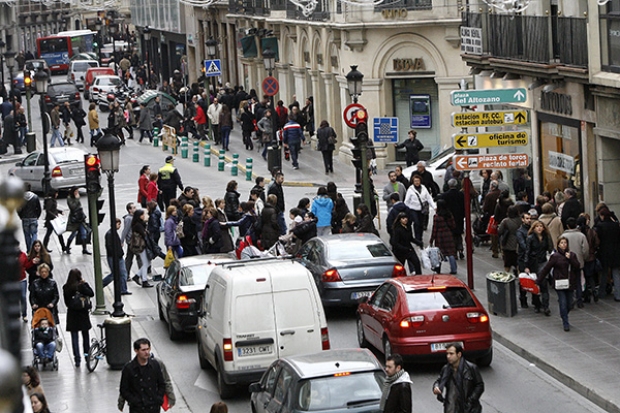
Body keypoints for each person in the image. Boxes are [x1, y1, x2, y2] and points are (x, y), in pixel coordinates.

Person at [536, 237, 580, 331]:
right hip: (559, 282)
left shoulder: (572, 255)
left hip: (570, 283)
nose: (564, 245)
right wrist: (539, 280)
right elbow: (546, 269)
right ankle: (565, 321)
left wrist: (571, 259)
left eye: (565, 243)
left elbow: (577, 266)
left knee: (569, 303)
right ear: (558, 245)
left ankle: (564, 314)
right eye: (561, 243)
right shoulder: (555, 256)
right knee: (563, 302)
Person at [433, 343, 485, 413]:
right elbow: (439, 381)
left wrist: (471, 400)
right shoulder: (446, 369)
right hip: (451, 408)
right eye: (447, 354)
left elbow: (479, 386)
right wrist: (436, 387)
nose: (448, 356)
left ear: (459, 354)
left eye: (451, 354)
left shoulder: (471, 368)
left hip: (468, 409)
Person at [120, 338, 166, 413]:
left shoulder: (155, 365)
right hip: (137, 409)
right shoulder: (129, 368)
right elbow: (124, 389)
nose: (147, 352)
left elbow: (161, 384)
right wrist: (134, 401)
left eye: (148, 349)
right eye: (143, 350)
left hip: (153, 407)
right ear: (136, 351)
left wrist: (158, 398)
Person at [63, 268, 94, 367]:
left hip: (72, 314)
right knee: (85, 336)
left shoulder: (66, 287)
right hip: (83, 314)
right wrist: (85, 284)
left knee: (74, 338)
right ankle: (87, 355)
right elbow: (91, 293)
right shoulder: (81, 286)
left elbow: (67, 303)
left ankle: (77, 359)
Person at [525, 220, 554, 315]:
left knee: (544, 285)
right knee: (535, 285)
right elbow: (527, 252)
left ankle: (546, 306)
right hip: (534, 263)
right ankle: (537, 304)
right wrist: (527, 265)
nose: (539, 228)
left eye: (541, 226)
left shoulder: (546, 237)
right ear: (534, 228)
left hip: (543, 262)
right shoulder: (530, 238)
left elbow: (550, 248)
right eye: (537, 226)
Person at [593, 206, 620, 301]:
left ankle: (602, 292)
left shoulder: (600, 226)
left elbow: (597, 239)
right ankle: (618, 294)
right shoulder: (616, 225)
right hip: (616, 252)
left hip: (604, 252)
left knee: (604, 273)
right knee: (616, 273)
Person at [562, 217, 589, 307]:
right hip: (578, 261)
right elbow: (585, 249)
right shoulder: (581, 235)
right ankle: (579, 300)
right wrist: (583, 258)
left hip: (567, 262)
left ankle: (570, 300)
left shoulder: (563, 236)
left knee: (569, 281)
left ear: (567, 225)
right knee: (578, 280)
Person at [404, 174, 436, 243]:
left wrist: (434, 206)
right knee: (416, 223)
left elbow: (428, 198)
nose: (417, 182)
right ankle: (417, 238)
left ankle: (420, 237)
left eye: (418, 181)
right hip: (413, 209)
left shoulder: (424, 188)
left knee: (421, 224)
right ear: (413, 182)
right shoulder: (410, 189)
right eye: (415, 181)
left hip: (422, 209)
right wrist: (406, 210)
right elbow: (406, 201)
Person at [103, 218, 131, 295]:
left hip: (118, 256)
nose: (119, 226)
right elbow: (109, 246)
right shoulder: (110, 234)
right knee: (115, 274)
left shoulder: (113, 233)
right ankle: (102, 284)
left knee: (122, 273)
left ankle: (123, 289)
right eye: (118, 224)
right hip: (114, 257)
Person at [439, 179, 465, 259]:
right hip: (459, 217)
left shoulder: (445, 195)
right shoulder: (461, 194)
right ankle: (460, 249)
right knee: (459, 234)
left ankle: (454, 252)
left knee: (452, 235)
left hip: (449, 218)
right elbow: (464, 206)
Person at [430, 200, 457, 274]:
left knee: (439, 254)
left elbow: (434, 229)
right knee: (451, 253)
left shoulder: (436, 217)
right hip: (448, 235)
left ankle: (438, 269)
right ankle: (454, 269)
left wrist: (432, 239)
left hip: (440, 237)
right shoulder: (449, 215)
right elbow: (453, 225)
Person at [65, 187, 91, 255]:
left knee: (84, 233)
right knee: (74, 233)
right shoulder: (69, 198)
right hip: (74, 218)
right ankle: (67, 247)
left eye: (77, 191)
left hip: (80, 218)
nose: (77, 193)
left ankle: (84, 249)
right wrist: (77, 199)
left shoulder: (76, 197)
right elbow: (72, 207)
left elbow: (79, 206)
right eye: (75, 191)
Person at [18, 183, 42, 252]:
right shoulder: (35, 197)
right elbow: (39, 208)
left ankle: (29, 249)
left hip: (25, 218)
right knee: (34, 233)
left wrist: (21, 216)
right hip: (33, 218)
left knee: (27, 235)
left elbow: (18, 209)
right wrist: (37, 216)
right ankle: (33, 248)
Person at [498, 206, 521, 274]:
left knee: (507, 264)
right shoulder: (520, 220)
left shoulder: (505, 221)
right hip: (518, 244)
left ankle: (507, 277)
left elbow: (500, 231)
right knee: (517, 263)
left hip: (507, 244)